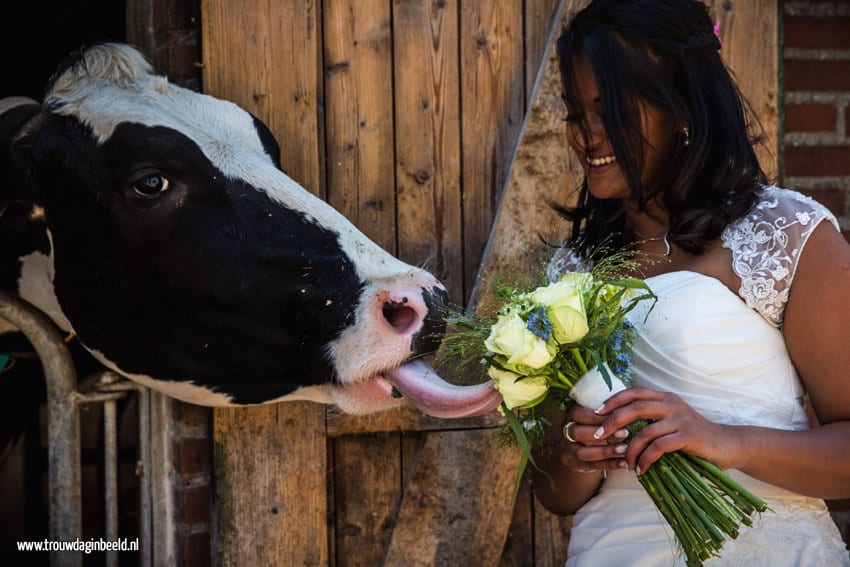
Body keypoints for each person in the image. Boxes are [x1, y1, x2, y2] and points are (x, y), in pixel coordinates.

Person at [530, 0, 850, 565]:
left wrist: (726, 441)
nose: (587, 136)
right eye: (577, 113)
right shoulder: (571, 273)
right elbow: (553, 494)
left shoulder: (787, 236)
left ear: (681, 106)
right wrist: (581, 454)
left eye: (612, 110)